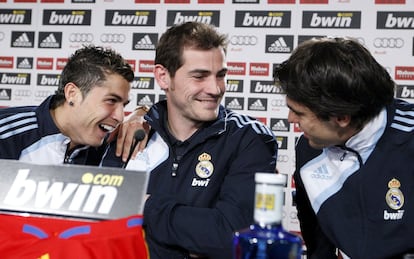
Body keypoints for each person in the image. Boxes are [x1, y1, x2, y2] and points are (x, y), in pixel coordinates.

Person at [102, 21, 278, 258]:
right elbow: (102, 221)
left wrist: (145, 205)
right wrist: (194, 233)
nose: (215, 89)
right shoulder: (130, 133)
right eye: (200, 76)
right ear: (163, 77)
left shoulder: (249, 139)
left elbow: (230, 237)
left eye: (221, 75)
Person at [273, 37, 414, 258]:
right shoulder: (308, 148)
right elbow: (318, 241)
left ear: (341, 117)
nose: (291, 119)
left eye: (299, 112)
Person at [0, 44, 137, 165]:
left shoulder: (109, 145)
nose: (120, 117)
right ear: (72, 94)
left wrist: (141, 114)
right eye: (111, 101)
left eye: (123, 105)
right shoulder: (6, 134)